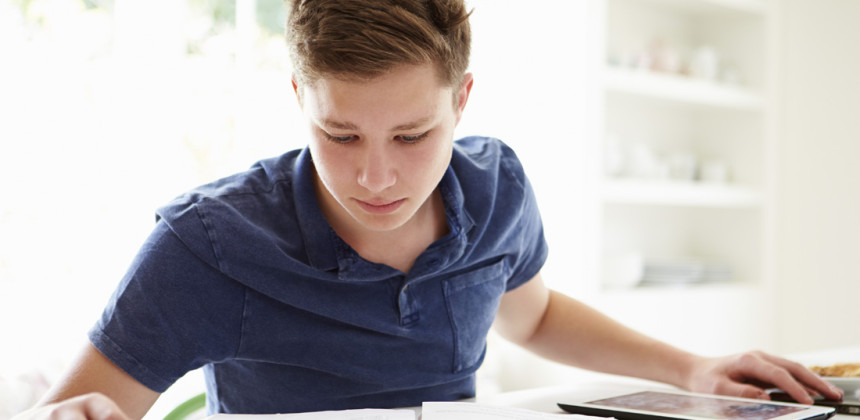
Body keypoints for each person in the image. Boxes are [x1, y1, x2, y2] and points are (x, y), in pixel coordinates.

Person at [15, 0, 843, 419]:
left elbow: (535, 316)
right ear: (298, 96)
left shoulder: (496, 192)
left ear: (463, 101)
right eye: (338, 133)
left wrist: (692, 372)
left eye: (412, 133)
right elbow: (86, 409)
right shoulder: (205, 244)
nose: (375, 177)